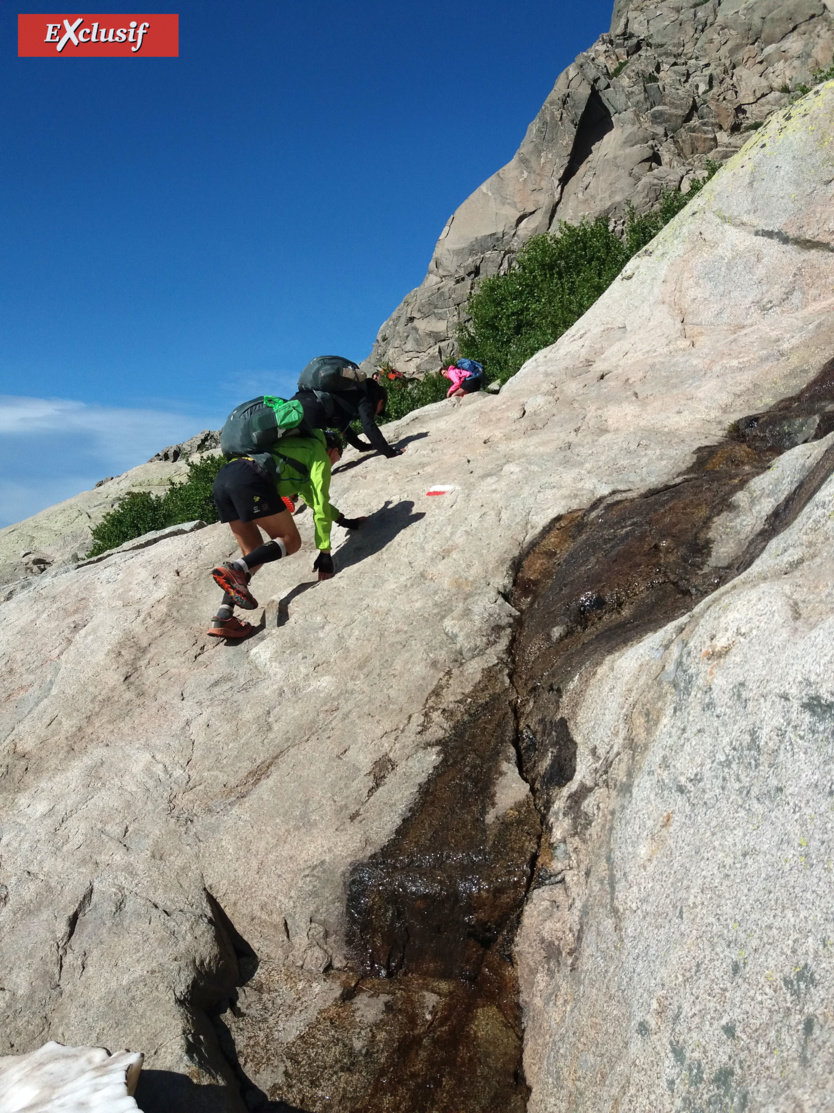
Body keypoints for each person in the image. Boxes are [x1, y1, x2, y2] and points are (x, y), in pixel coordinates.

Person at [208, 429, 365, 639]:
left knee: (253, 553)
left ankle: (224, 616)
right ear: (334, 450)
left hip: (224, 479)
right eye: (339, 456)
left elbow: (314, 500)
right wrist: (325, 552)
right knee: (291, 541)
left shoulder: (293, 451)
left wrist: (344, 521)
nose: (336, 461)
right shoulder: (319, 454)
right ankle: (235, 568)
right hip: (251, 478)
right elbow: (320, 503)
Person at [293, 378, 404, 458]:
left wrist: (364, 447)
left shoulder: (347, 397)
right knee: (315, 453)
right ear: (380, 401)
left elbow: (345, 429)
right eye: (381, 409)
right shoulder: (365, 397)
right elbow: (368, 427)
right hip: (311, 410)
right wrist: (390, 452)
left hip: (295, 404)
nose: (377, 413)